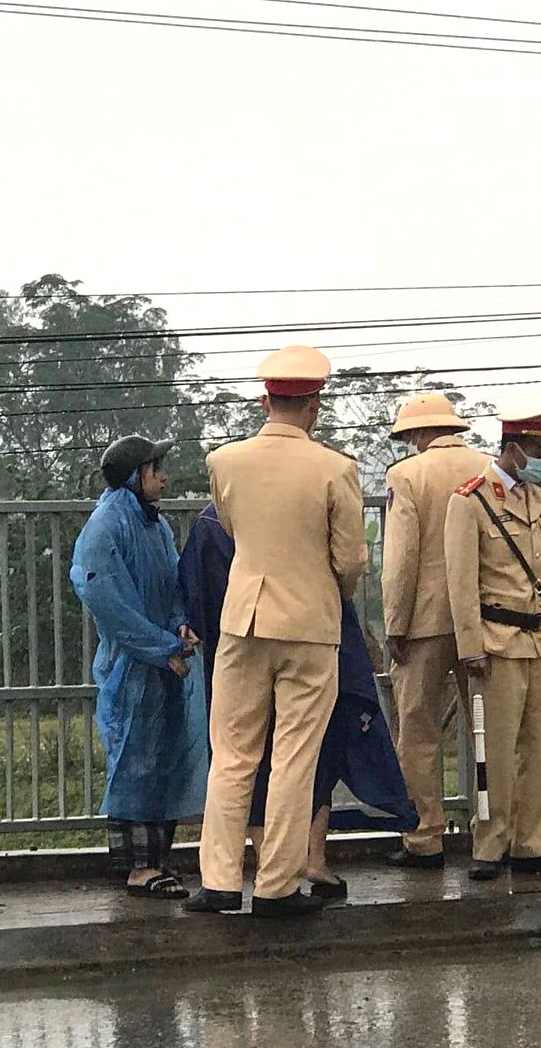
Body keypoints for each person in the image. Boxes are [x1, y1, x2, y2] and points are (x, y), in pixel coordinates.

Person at [185, 345, 368, 918]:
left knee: (233, 753)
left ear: (265, 401)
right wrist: (332, 589)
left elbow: (234, 529)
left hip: (243, 618)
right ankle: (276, 886)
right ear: (314, 405)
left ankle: (217, 881)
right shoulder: (336, 469)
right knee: (294, 757)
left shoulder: (224, 461)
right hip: (311, 624)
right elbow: (352, 557)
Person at [179, 504, 416, 900]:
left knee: (241, 759)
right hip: (311, 638)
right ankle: (306, 863)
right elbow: (349, 565)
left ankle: (234, 874)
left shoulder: (216, 514)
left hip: (241, 642)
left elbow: (200, 591)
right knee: (308, 754)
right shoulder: (315, 500)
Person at [69, 436, 209, 899]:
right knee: (134, 760)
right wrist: (157, 645)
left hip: (163, 660)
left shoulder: (155, 526)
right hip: (130, 666)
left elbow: (169, 586)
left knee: (162, 759)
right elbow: (107, 601)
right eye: (156, 469)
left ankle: (152, 862)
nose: (164, 477)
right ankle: (139, 868)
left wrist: (180, 628)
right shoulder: (106, 526)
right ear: (135, 476)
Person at [444, 405, 541, 882]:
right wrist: (469, 647)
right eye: (540, 451)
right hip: (496, 642)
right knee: (494, 752)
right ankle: (490, 845)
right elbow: (460, 583)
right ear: (514, 448)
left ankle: (534, 844)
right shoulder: (470, 501)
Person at [380, 393, 492, 869]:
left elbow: (401, 558)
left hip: (423, 622)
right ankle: (493, 834)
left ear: (416, 435)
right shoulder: (488, 469)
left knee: (418, 731)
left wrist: (395, 623)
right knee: (488, 730)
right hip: (484, 620)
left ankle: (424, 838)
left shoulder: (406, 476)